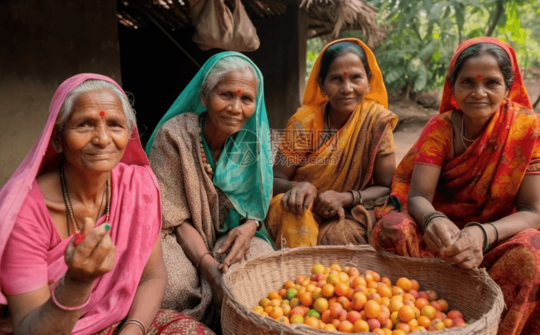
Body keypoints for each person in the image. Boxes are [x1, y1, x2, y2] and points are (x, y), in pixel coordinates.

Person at [373, 37, 540, 335]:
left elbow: (532, 211)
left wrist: (482, 233)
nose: (479, 93)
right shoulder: (441, 128)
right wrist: (434, 219)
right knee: (393, 228)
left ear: (508, 86)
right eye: (467, 83)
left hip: (498, 241)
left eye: (491, 83)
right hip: (439, 242)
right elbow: (420, 196)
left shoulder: (530, 132)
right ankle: (411, 315)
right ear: (453, 86)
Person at [0, 74, 213, 335]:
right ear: (58, 138)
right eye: (85, 125)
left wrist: (132, 330)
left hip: (117, 322)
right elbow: (29, 329)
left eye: (114, 125)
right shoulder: (25, 211)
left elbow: (153, 275)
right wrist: (77, 282)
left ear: (129, 134)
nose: (102, 139)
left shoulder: (138, 186)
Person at [146, 52, 274, 331]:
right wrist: (208, 267)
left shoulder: (253, 142)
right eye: (226, 95)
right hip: (178, 234)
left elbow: (256, 206)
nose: (235, 108)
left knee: (261, 275)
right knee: (173, 287)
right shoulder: (174, 136)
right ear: (204, 97)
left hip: (233, 233)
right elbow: (172, 217)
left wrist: (251, 226)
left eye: (246, 99)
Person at [265, 38, 398, 249]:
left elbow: (387, 186)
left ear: (369, 80)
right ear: (321, 85)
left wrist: (345, 198)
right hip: (300, 206)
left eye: (356, 78)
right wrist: (299, 187)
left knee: (343, 239)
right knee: (297, 218)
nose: (347, 88)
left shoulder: (376, 121)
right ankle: (298, 279)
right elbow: (274, 179)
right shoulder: (304, 122)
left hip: (348, 209)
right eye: (336, 79)